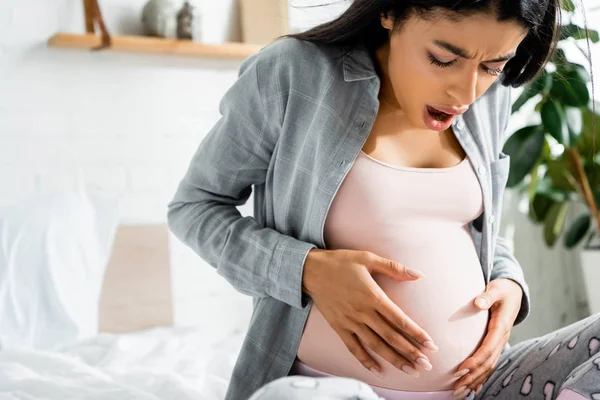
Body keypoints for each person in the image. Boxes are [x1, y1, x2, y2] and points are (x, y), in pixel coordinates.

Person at [167, 0, 600, 399]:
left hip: (476, 388)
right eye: (443, 58)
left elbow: (469, 231)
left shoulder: (492, 99)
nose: (467, 93)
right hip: (326, 388)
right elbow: (195, 208)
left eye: (492, 65)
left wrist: (509, 283)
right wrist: (306, 270)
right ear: (392, 11)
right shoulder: (294, 75)